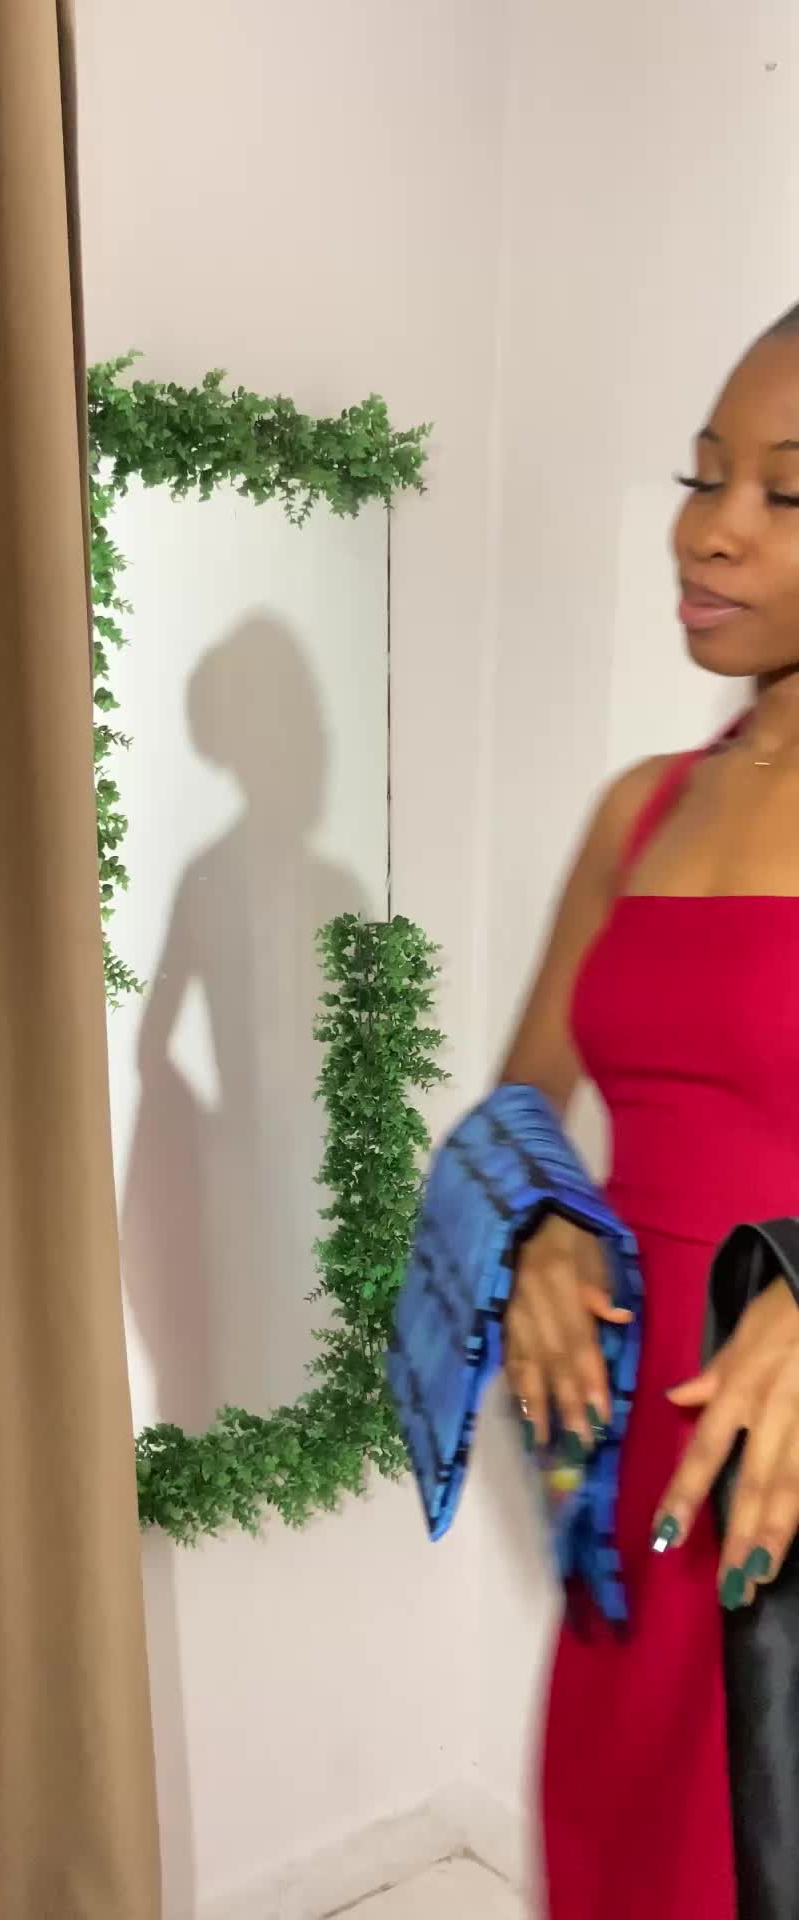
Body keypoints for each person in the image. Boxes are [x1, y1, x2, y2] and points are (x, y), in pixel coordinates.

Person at [500, 305, 799, 1919]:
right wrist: (546, 1224)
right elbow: (523, 1100)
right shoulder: (644, 809)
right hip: (635, 1501)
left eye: (784, 493)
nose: (710, 530)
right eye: (702, 478)